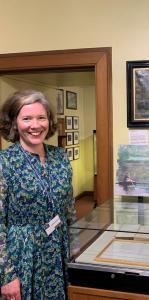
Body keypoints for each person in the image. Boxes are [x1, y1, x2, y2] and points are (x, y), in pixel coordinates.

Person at [0, 90, 77, 300]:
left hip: (58, 248)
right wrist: (6, 276)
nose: (35, 125)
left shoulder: (60, 157)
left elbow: (69, 209)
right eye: (27, 118)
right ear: (14, 123)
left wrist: (76, 251)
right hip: (22, 254)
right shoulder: (4, 162)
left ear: (49, 121)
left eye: (41, 117)